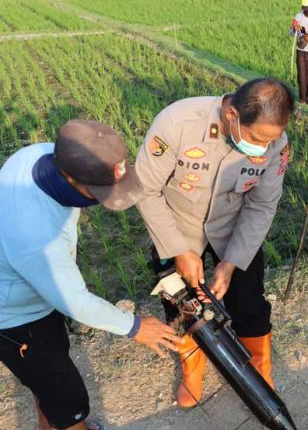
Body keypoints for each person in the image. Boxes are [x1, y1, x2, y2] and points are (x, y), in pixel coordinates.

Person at [0, 120, 181, 430]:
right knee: (68, 400)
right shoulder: (36, 236)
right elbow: (76, 302)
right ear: (68, 176)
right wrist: (135, 326)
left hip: (34, 295)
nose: (106, 197)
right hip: (17, 319)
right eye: (99, 191)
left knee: (48, 389)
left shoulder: (39, 155)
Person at [136, 78, 294, 407]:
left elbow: (262, 205)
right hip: (177, 225)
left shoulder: (276, 141)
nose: (264, 148)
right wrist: (179, 250)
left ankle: (258, 369)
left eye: (271, 141)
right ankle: (192, 366)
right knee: (182, 305)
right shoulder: (178, 123)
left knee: (249, 301)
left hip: (233, 226)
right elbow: (146, 190)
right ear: (232, 113)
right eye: (256, 139)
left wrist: (232, 261)